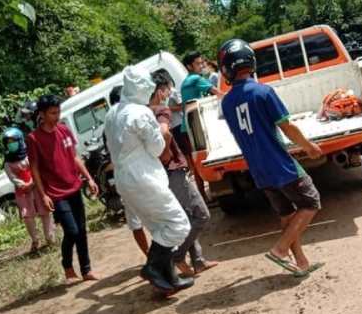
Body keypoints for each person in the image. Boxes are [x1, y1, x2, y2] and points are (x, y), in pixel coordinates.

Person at [218, 39, 325, 277]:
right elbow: (286, 127)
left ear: (226, 69)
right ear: (251, 62)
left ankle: (301, 263)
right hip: (281, 165)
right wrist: (308, 147)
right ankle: (280, 249)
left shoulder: (226, 103)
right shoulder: (263, 92)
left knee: (287, 214)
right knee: (310, 202)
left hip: (258, 170)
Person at [104, 66, 193, 295]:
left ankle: (168, 279)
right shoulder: (140, 113)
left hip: (124, 179)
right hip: (143, 177)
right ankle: (152, 268)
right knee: (178, 225)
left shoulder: (112, 113)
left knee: (159, 228)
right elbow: (157, 148)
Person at [131, 71, 217, 276]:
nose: (169, 93)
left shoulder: (139, 113)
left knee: (187, 215)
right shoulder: (160, 110)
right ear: (160, 91)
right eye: (168, 89)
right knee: (201, 215)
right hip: (172, 171)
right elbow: (165, 133)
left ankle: (198, 260)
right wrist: (166, 155)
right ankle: (178, 256)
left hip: (159, 174)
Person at [28, 95, 100, 283]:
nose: (57, 115)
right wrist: (42, 195)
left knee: (82, 230)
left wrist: (89, 178)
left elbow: (75, 157)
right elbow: (34, 168)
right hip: (56, 193)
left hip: (74, 187)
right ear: (42, 114)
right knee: (72, 231)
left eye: (58, 111)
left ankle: (86, 270)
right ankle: (67, 265)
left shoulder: (64, 131)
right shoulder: (34, 139)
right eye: (52, 113)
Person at [1, 127, 55, 252]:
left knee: (44, 211)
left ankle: (50, 237)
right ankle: (35, 241)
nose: (11, 145)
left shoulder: (30, 153)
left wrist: (32, 182)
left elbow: (37, 168)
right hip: (22, 192)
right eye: (8, 143)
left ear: (20, 140)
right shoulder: (7, 160)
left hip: (37, 187)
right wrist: (22, 185)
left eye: (13, 141)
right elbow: (12, 176)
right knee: (27, 216)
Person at [179, 52, 222, 199]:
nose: (202, 66)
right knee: (202, 160)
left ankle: (203, 196)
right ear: (189, 66)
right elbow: (216, 92)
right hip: (195, 126)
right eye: (198, 63)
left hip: (187, 127)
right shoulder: (196, 79)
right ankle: (204, 196)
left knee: (195, 163)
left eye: (202, 62)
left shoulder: (185, 81)